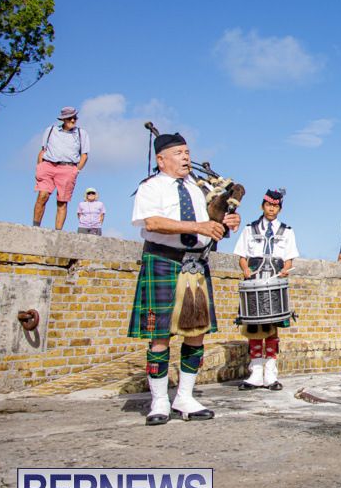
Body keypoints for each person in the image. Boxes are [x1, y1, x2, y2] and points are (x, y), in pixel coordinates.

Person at [128, 133, 240, 426]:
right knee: (159, 335)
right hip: (162, 259)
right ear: (161, 159)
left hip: (195, 263)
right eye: (178, 153)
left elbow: (209, 225)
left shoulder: (197, 188)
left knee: (196, 331)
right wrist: (197, 225)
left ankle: (185, 397)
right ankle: (159, 400)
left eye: (187, 152)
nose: (186, 157)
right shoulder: (151, 187)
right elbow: (152, 222)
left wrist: (225, 224)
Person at [233, 189, 299, 391]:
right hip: (254, 282)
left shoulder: (286, 231)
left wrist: (286, 270)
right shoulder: (249, 229)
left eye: (276, 206)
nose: (272, 209)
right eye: (269, 205)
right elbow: (242, 256)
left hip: (274, 283)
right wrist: (244, 268)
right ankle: (255, 373)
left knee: (272, 328)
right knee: (253, 328)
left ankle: (270, 373)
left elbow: (289, 259)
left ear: (280, 208)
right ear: (263, 206)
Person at [33, 106, 90, 230]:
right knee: (42, 195)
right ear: (63, 119)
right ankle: (35, 227)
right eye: (70, 118)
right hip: (48, 165)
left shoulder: (81, 133)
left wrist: (76, 170)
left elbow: (84, 155)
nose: (73, 120)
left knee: (62, 201)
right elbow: (43, 150)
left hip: (68, 168)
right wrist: (40, 166)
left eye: (75, 118)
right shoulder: (51, 130)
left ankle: (58, 232)